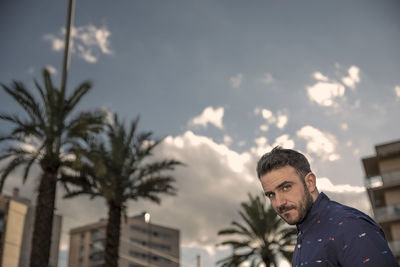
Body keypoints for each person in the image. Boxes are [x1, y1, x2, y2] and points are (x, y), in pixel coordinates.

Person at [256, 146, 398, 267]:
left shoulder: (349, 225)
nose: (279, 202)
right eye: (271, 195)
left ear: (310, 182)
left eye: (286, 187)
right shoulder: (303, 237)